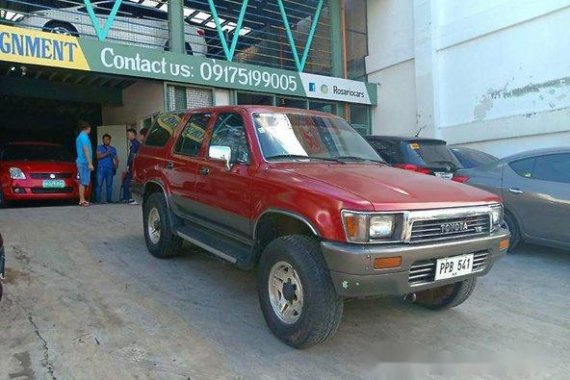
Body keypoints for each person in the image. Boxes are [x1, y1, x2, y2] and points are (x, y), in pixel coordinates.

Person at [95, 134, 119, 204]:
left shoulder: (113, 149)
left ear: (110, 140)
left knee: (109, 185)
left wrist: (116, 166)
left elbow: (116, 159)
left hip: (110, 169)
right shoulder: (99, 147)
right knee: (99, 185)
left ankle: (109, 200)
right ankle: (97, 200)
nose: (106, 141)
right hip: (101, 169)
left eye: (107, 139)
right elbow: (98, 156)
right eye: (104, 139)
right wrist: (106, 153)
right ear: (103, 140)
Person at [76, 121, 93, 207]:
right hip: (84, 162)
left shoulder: (80, 137)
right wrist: (90, 163)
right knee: (83, 181)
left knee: (84, 181)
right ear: (88, 128)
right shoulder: (84, 137)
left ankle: (83, 199)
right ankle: (82, 200)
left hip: (82, 161)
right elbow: (86, 150)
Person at [121, 128, 140, 205]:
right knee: (126, 181)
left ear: (133, 134)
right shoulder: (132, 143)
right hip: (132, 166)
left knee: (129, 182)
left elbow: (133, 155)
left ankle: (131, 198)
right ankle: (127, 198)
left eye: (128, 134)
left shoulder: (135, 143)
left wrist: (129, 165)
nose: (127, 136)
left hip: (133, 166)